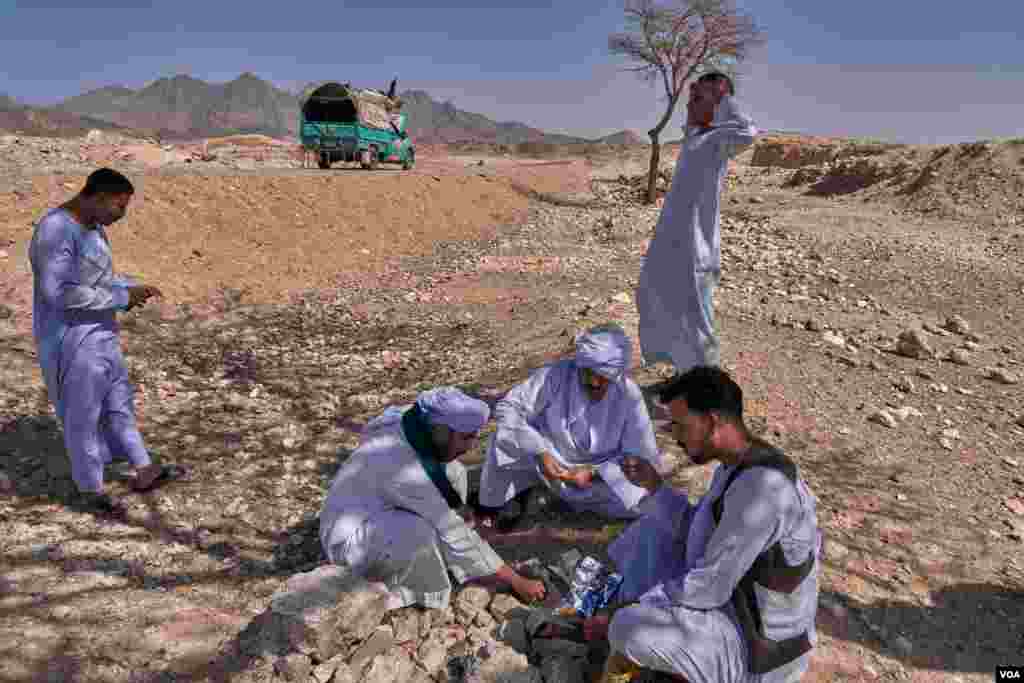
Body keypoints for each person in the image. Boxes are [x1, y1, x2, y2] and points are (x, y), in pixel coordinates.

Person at [588, 366, 822, 683]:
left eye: (680, 425)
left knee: (629, 626)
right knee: (651, 530)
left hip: (758, 650)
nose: (675, 435)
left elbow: (710, 586)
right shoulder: (737, 466)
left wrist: (637, 605)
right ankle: (599, 608)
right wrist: (654, 486)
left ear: (712, 421)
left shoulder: (761, 489)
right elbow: (699, 533)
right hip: (733, 606)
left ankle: (615, 622)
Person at [318, 387, 547, 610]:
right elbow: (449, 527)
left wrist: (459, 514)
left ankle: (457, 556)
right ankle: (407, 593)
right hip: (349, 541)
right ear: (440, 432)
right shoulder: (400, 468)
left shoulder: (415, 422)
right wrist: (516, 580)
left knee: (455, 471)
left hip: (375, 509)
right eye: (465, 438)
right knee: (419, 532)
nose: (471, 447)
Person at [29, 168, 174, 516]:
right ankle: (90, 488)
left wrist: (131, 290)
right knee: (84, 414)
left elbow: (99, 280)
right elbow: (58, 293)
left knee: (119, 401)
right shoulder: (55, 230)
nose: (121, 216)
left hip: (101, 334)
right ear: (98, 197)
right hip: (72, 340)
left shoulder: (93, 230)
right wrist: (121, 297)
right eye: (119, 208)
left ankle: (143, 468)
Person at [636, 72, 758, 377]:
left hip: (696, 250)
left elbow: (748, 132)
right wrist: (702, 102)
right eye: (691, 98)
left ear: (719, 106)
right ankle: (682, 380)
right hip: (673, 245)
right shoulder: (696, 137)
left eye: (698, 99)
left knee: (696, 321)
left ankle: (705, 395)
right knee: (666, 307)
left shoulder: (719, 138)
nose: (689, 104)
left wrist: (724, 98)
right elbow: (693, 122)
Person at [476, 323, 660, 525]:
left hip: (597, 476)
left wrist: (593, 473)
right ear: (579, 364)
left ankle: (563, 498)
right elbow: (508, 407)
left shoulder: (628, 394)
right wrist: (540, 451)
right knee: (502, 440)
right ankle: (491, 507)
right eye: (588, 374)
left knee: (645, 497)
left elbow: (640, 455)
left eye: (603, 378)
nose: (595, 383)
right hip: (549, 460)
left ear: (616, 375)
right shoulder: (555, 376)